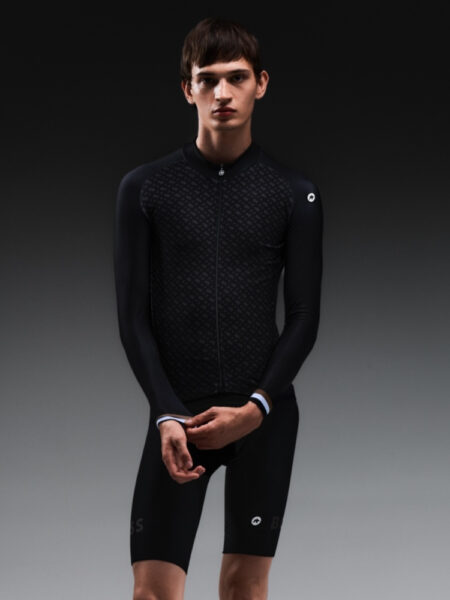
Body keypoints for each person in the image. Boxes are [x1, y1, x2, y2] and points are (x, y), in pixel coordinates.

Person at [114, 15, 324, 600]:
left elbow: (304, 317)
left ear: (261, 84)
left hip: (263, 416)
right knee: (152, 593)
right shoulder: (144, 188)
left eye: (237, 78)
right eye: (208, 80)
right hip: (178, 416)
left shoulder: (295, 193)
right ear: (188, 89)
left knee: (243, 589)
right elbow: (132, 318)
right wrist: (165, 412)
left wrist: (257, 406)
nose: (222, 93)